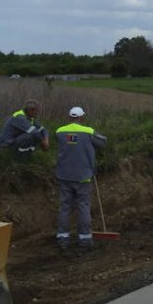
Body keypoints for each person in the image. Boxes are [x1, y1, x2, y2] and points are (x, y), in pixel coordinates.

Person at [55, 106, 107, 250]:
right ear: (81, 117)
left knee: (65, 207)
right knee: (83, 206)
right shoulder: (88, 132)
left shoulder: (60, 131)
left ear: (69, 117)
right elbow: (103, 142)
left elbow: (69, 142)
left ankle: (63, 237)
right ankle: (84, 239)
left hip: (64, 175)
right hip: (83, 176)